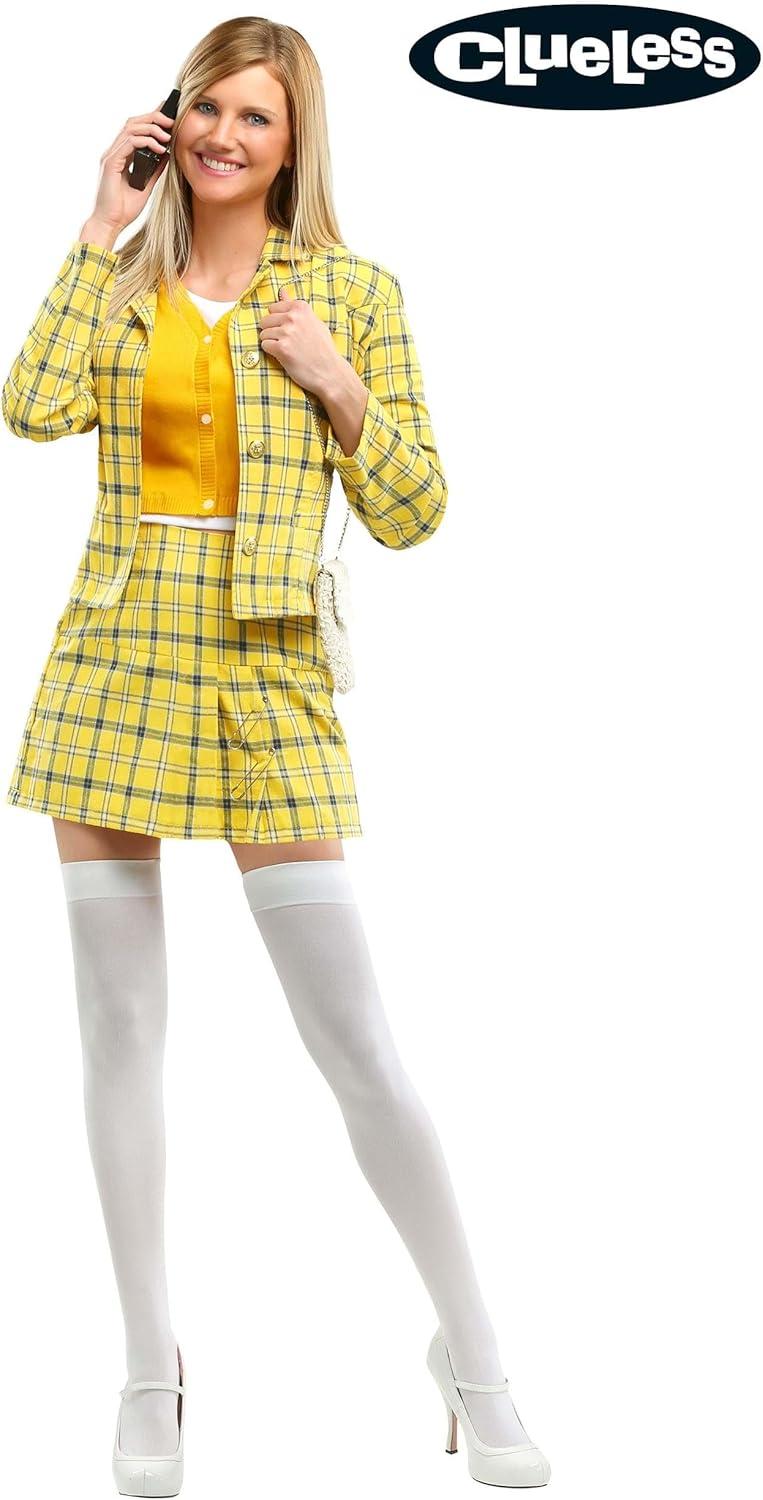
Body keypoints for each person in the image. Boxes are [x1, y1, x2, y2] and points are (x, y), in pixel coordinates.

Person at [2, 17, 550, 1496]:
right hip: (114, 661)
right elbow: (30, 407)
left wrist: (336, 384)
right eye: (205, 107)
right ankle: (148, 1364)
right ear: (170, 121)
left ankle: (474, 1353)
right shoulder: (121, 281)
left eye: (255, 115)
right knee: (120, 1030)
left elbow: (417, 510)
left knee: (356, 1042)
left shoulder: (352, 295)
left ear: (295, 138)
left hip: (266, 674)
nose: (223, 135)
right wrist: (97, 225)